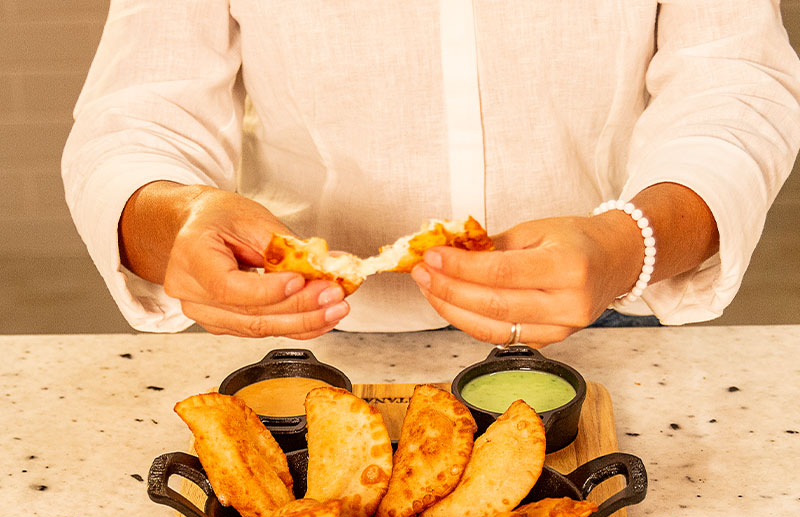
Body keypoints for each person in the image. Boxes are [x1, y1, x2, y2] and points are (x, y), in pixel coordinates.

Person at [62, 1, 800, 347]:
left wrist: (629, 245)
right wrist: (178, 225)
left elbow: (733, 83)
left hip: (599, 318)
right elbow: (139, 112)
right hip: (301, 331)